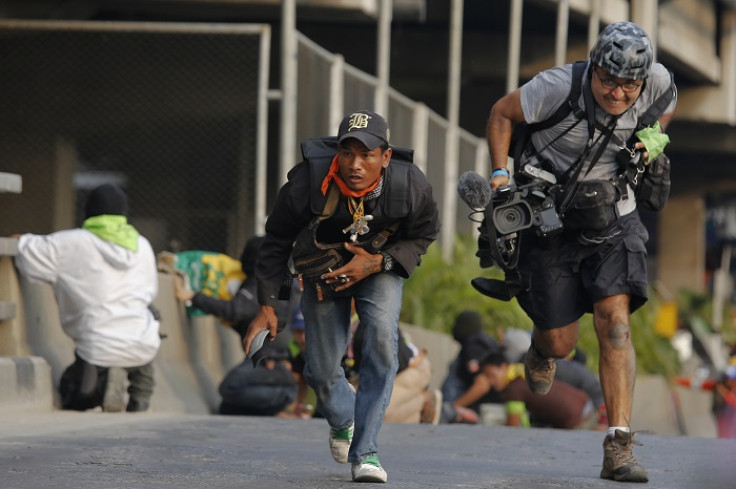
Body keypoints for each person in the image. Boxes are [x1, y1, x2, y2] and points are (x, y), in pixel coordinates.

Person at [486, 21, 677, 482]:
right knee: (561, 342)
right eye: (608, 80)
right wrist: (499, 176)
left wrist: (650, 140)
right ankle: (541, 346)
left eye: (628, 84)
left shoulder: (658, 83)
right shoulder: (556, 86)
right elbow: (500, 114)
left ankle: (619, 445)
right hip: (550, 216)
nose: (617, 93)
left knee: (615, 324)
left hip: (615, 215)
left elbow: (665, 108)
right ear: (594, 67)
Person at [244, 110, 440, 483]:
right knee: (318, 370)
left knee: (382, 339)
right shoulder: (307, 183)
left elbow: (426, 232)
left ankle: (366, 452)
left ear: (385, 156)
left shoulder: (410, 184)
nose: (355, 164)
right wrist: (269, 305)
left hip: (379, 268)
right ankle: (343, 417)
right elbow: (276, 243)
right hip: (324, 273)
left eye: (367, 155)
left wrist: (378, 262)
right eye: (348, 153)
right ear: (337, 153)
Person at [13, 183, 160, 412]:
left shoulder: (71, 242)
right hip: (143, 344)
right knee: (148, 319)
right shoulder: (142, 246)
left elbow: (24, 253)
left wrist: (20, 240)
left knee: (70, 392)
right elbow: (150, 291)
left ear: (88, 211)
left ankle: (102, 383)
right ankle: (140, 391)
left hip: (97, 347)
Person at [457, 351, 598, 430]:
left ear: (504, 367)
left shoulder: (514, 389)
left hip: (577, 421)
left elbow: (513, 428)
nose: (491, 382)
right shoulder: (524, 372)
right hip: (586, 405)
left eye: (491, 375)